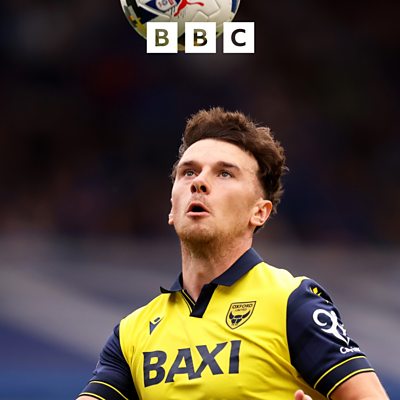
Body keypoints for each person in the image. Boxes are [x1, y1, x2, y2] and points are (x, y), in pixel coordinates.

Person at [77, 108, 388, 400]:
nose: (199, 182)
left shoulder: (291, 303)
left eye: (224, 174)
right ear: (172, 208)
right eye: (188, 172)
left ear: (259, 212)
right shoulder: (132, 334)